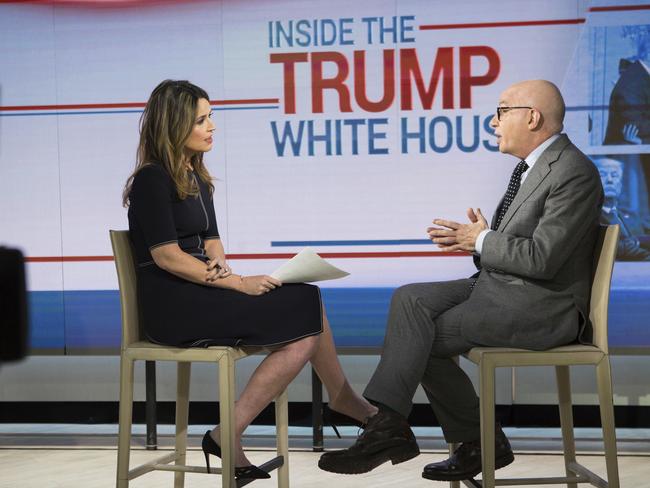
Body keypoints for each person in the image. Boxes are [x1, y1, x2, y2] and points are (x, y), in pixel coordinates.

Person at [318, 80, 604, 482]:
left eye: (502, 111)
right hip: (502, 286)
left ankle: (455, 437)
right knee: (410, 300)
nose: (493, 121)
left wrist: (484, 239)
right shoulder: (531, 167)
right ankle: (395, 425)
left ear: (533, 117)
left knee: (423, 336)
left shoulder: (573, 172)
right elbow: (520, 247)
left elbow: (542, 258)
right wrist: (477, 241)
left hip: (543, 306)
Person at [122, 80, 377, 480]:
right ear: (174, 126)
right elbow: (167, 257)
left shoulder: (195, 175)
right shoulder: (152, 179)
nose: (212, 127)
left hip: (199, 291)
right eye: (202, 120)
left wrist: (223, 269)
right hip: (171, 307)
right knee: (305, 310)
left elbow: (211, 242)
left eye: (211, 118)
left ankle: (234, 430)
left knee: (305, 301)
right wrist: (237, 283)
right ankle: (340, 402)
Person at [594, 157, 650, 261]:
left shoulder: (630, 215)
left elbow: (641, 238)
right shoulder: (590, 215)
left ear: (620, 183)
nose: (610, 180)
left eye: (615, 175)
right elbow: (613, 248)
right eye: (603, 174)